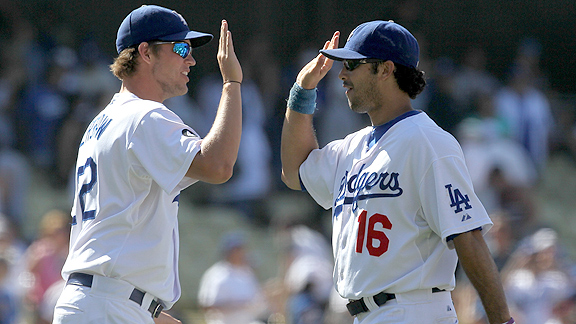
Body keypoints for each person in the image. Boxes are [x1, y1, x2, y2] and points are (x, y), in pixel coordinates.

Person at [280, 20, 513, 324]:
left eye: (352, 64)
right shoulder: (352, 147)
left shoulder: (428, 141)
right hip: (368, 315)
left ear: (386, 69)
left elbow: (468, 237)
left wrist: (502, 321)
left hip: (413, 309)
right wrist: (303, 89)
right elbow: (294, 171)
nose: (341, 74)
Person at [53, 5, 243, 324]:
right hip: (108, 305)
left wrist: (147, 312)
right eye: (180, 48)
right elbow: (219, 166)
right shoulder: (145, 117)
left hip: (101, 301)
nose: (191, 59)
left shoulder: (104, 120)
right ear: (146, 52)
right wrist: (232, 84)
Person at [197, 232, 267, 324]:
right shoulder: (216, 274)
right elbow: (207, 306)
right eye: (237, 249)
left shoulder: (247, 272)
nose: (242, 252)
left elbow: (257, 301)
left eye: (242, 248)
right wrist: (238, 306)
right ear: (228, 252)